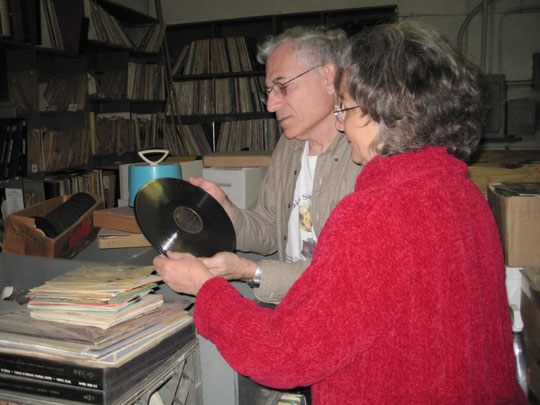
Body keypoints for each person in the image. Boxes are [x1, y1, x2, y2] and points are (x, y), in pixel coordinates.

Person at [154, 22, 527, 404]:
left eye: (346, 107)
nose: (343, 123)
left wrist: (206, 289)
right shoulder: (463, 193)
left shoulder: (375, 213)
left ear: (383, 110)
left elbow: (282, 355)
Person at [188, 26, 362, 304]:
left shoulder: (365, 156)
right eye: (269, 91)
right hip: (292, 307)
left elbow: (343, 276)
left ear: (329, 77)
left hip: (340, 315)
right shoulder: (289, 146)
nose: (270, 104)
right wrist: (226, 212)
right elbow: (269, 230)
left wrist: (250, 271)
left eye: (282, 86)